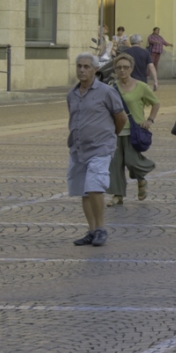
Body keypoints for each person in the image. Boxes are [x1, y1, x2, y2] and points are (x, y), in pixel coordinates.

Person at [66, 54, 128, 247]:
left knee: (94, 186)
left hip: (101, 147)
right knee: (84, 191)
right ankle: (92, 231)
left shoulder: (106, 92)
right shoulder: (72, 94)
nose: (82, 70)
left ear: (95, 70)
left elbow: (121, 117)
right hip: (78, 148)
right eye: (79, 66)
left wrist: (111, 137)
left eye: (86, 67)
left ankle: (101, 229)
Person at [108, 53, 159, 207]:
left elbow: (155, 103)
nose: (122, 70)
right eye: (119, 68)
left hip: (134, 130)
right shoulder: (111, 88)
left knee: (131, 160)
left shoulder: (141, 86)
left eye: (125, 67)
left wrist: (149, 120)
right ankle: (118, 195)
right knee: (115, 164)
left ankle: (142, 176)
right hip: (116, 131)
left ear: (131, 68)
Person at [145, 26, 166, 90]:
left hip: (158, 52)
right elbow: (150, 41)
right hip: (153, 52)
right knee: (151, 64)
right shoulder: (151, 36)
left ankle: (155, 77)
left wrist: (169, 44)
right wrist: (156, 42)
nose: (157, 32)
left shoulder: (160, 37)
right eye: (156, 30)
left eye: (158, 31)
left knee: (155, 64)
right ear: (154, 31)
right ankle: (147, 75)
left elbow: (164, 42)